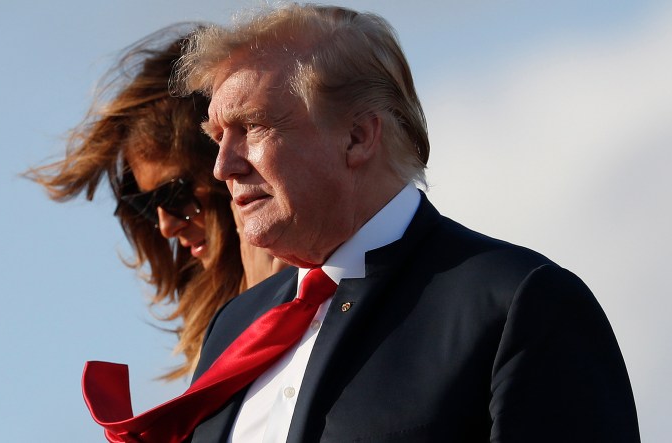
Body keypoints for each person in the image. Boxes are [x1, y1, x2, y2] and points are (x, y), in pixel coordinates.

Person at [167, 4, 640, 442]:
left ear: (357, 136)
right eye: (217, 136)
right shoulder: (233, 326)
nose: (222, 166)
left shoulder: (521, 304)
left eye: (253, 127)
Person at [25, 24, 285, 381]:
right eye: (146, 206)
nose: (166, 225)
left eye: (174, 195)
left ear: (228, 166)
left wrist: (263, 305)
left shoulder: (328, 277)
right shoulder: (213, 326)